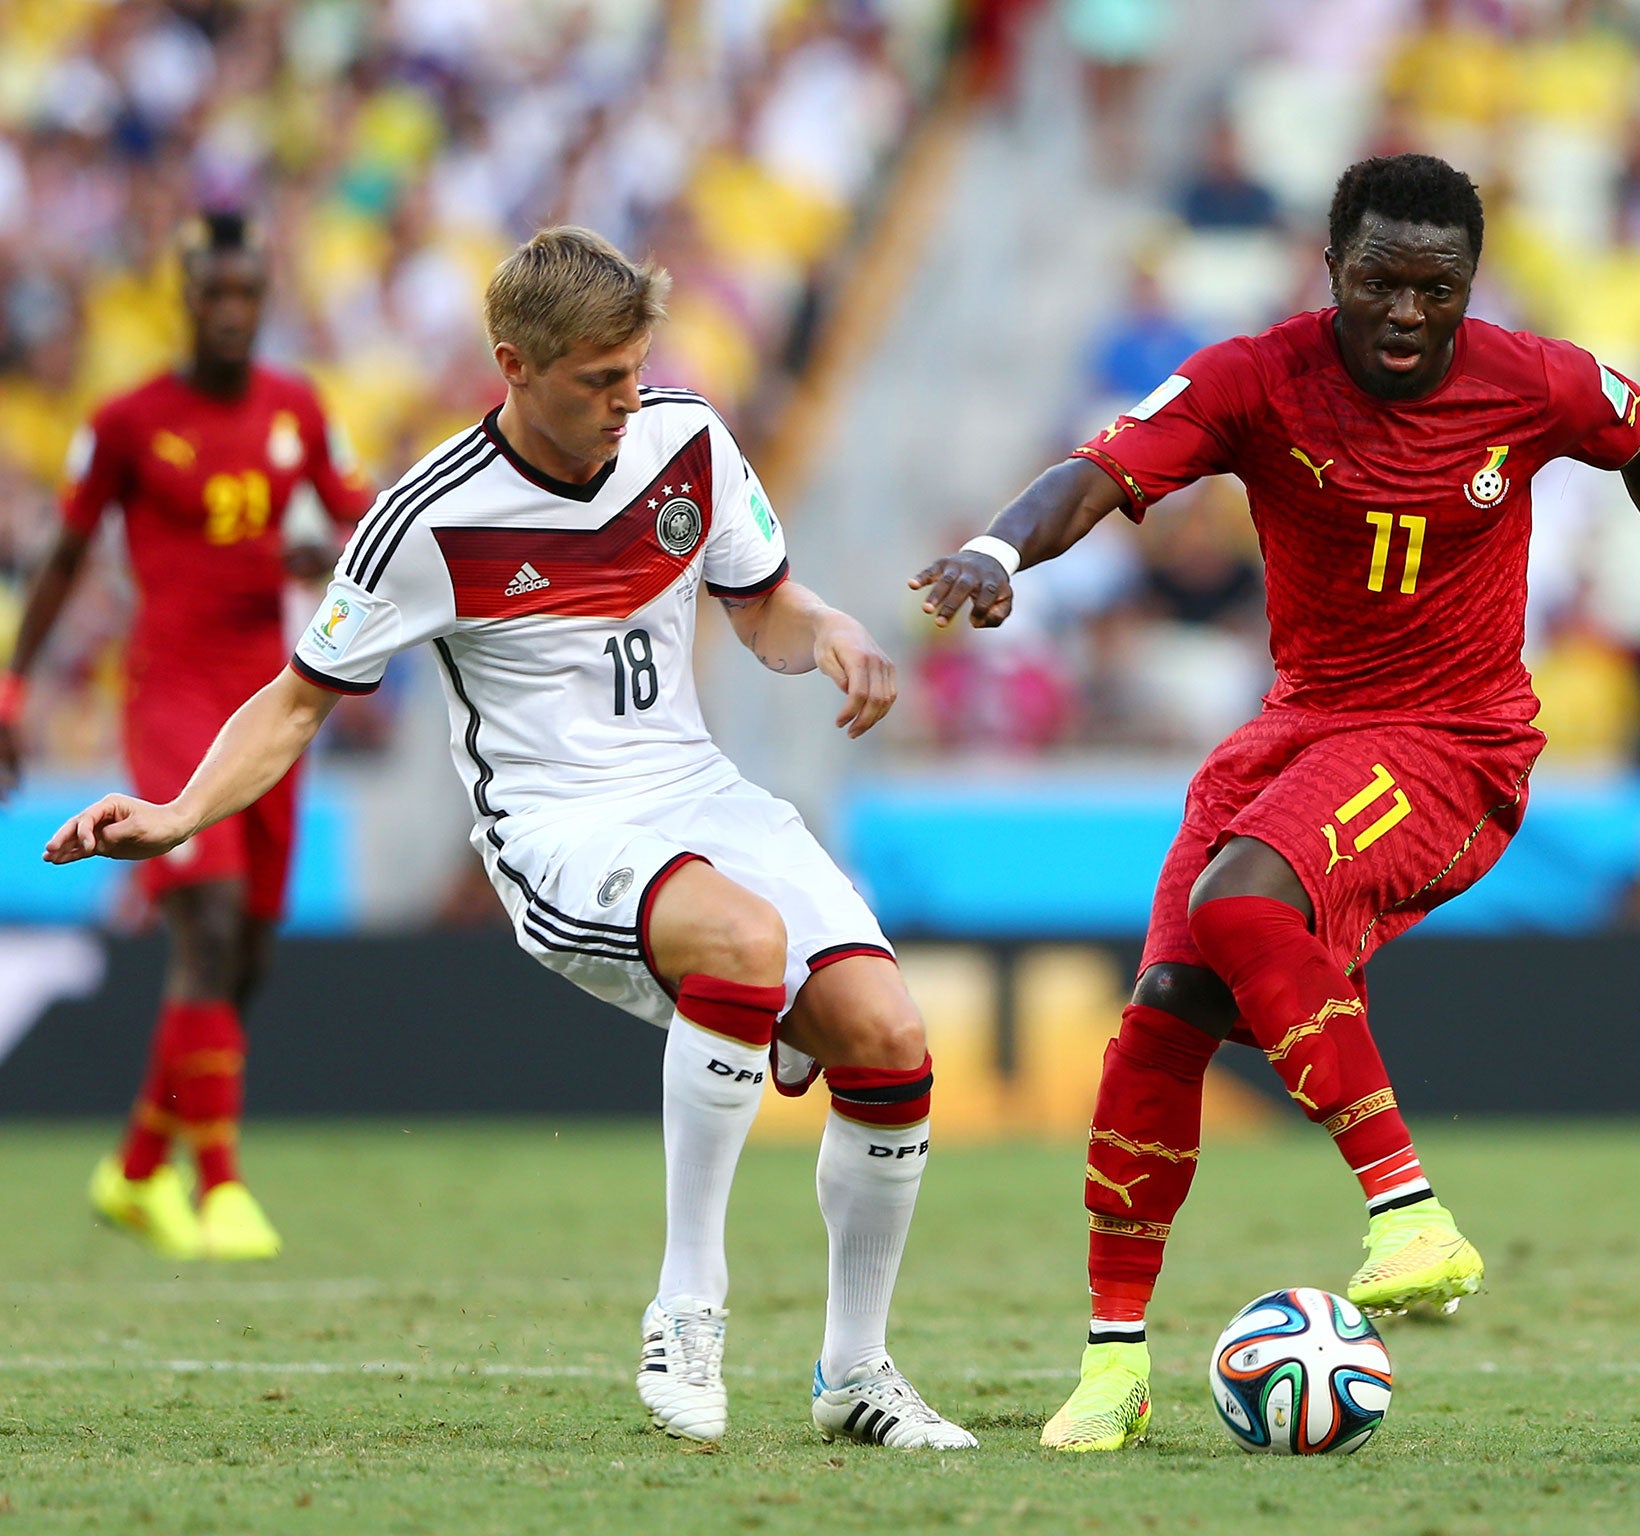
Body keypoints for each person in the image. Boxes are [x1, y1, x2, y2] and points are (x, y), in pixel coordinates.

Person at [45, 227, 975, 1451]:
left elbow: (762, 609)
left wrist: (832, 629)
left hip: (699, 791)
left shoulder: (685, 439)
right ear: (513, 365)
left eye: (634, 372)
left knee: (889, 1037)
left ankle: (856, 1375)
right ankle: (685, 1307)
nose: (623, 401)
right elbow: (297, 698)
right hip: (555, 830)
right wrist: (172, 815)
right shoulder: (424, 519)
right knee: (745, 944)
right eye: (598, 381)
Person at [911, 154, 1640, 1452]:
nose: (1407, 314)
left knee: (1241, 899)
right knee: (1162, 1017)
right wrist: (995, 546)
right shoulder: (1256, 380)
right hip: (1299, 736)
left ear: (1469, 286)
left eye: (1437, 289)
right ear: (1330, 270)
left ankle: (1408, 1212)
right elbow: (1102, 468)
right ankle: (1114, 1368)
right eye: (1379, 283)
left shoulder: (1535, 381)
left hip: (1455, 743)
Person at [2, 211, 373, 1262]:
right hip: (168, 694)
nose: (228, 314)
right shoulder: (127, 424)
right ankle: (216, 1187)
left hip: (273, 697)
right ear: (185, 301)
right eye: (212, 296)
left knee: (247, 956)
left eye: (245, 296)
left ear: (262, 300)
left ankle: (131, 1173)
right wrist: (15, 687)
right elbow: (67, 559)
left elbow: (362, 523)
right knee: (204, 925)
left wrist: (323, 563)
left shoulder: (297, 408)